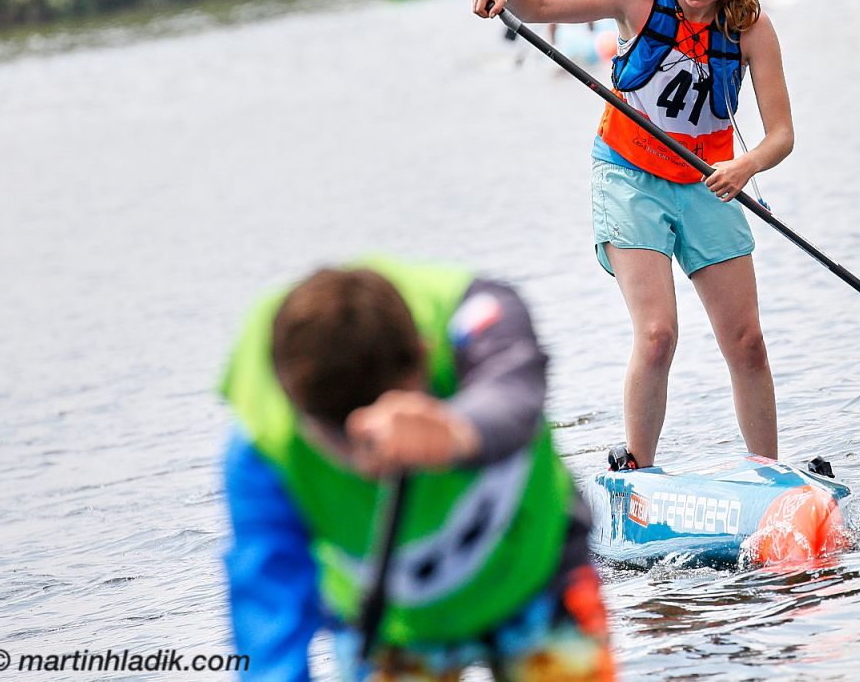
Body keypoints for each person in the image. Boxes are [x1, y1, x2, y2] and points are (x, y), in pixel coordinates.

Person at [472, 0, 793, 470]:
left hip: (710, 181)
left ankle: (768, 478)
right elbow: (544, 3)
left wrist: (745, 168)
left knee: (747, 341)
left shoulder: (750, 27)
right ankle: (637, 472)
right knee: (657, 334)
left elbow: (781, 135)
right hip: (629, 176)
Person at [220, 256, 614, 681]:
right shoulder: (264, 443)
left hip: (535, 576)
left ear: (424, 357)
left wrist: (455, 432)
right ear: (298, 409)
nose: (371, 464)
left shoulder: (474, 312)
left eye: (376, 437)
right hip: (393, 626)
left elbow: (514, 388)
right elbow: (269, 605)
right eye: (343, 441)